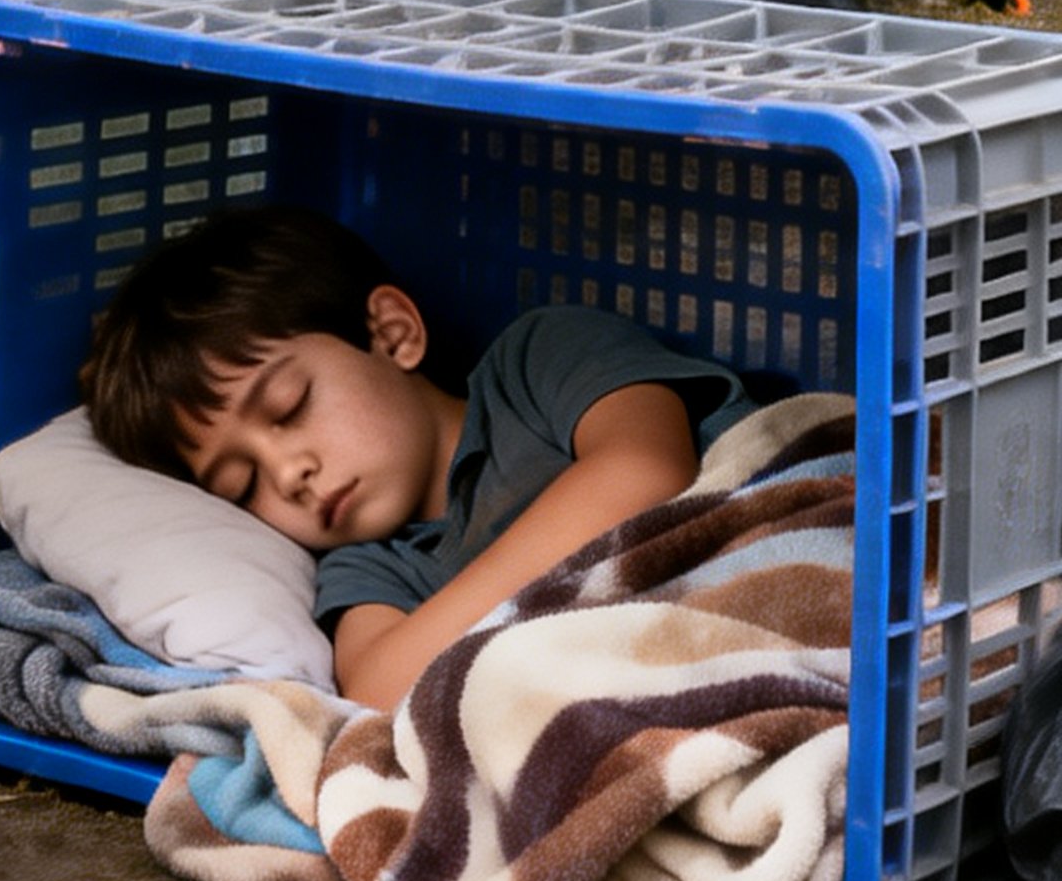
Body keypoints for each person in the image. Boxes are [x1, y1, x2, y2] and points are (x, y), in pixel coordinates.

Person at [81, 205, 757, 712]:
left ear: (392, 334)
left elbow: (642, 471)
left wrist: (452, 627)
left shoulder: (538, 358)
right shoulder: (367, 567)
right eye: (243, 483)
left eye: (289, 406)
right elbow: (378, 688)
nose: (288, 475)